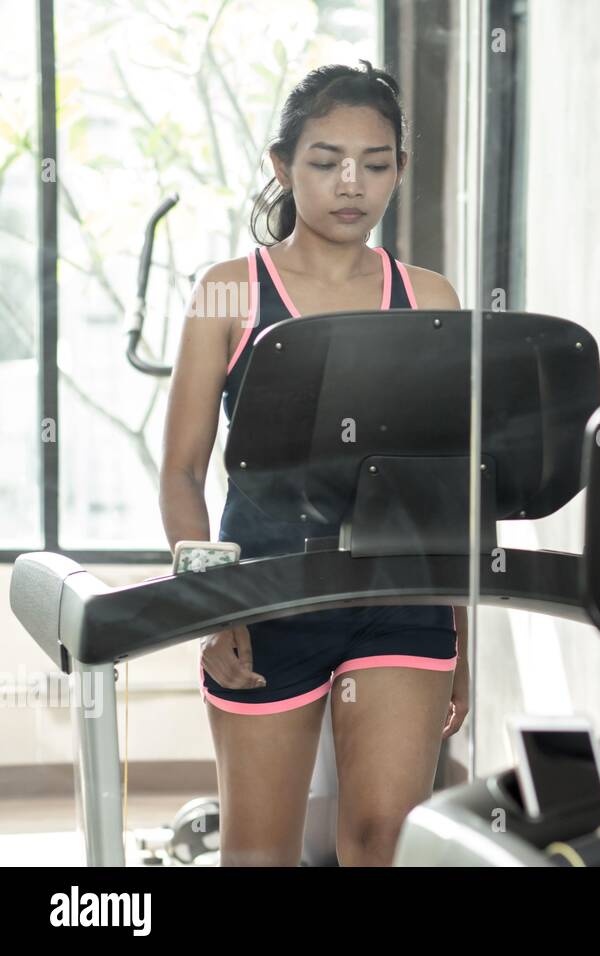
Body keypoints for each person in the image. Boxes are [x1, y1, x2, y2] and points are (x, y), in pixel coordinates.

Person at [160, 61, 469, 866]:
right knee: (260, 853)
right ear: (281, 166)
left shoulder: (429, 298)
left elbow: (446, 479)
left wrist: (460, 628)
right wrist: (211, 607)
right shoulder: (228, 293)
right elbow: (182, 471)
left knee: (382, 842)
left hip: (400, 595)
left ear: (400, 169)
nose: (350, 184)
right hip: (264, 599)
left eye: (375, 164)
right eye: (326, 161)